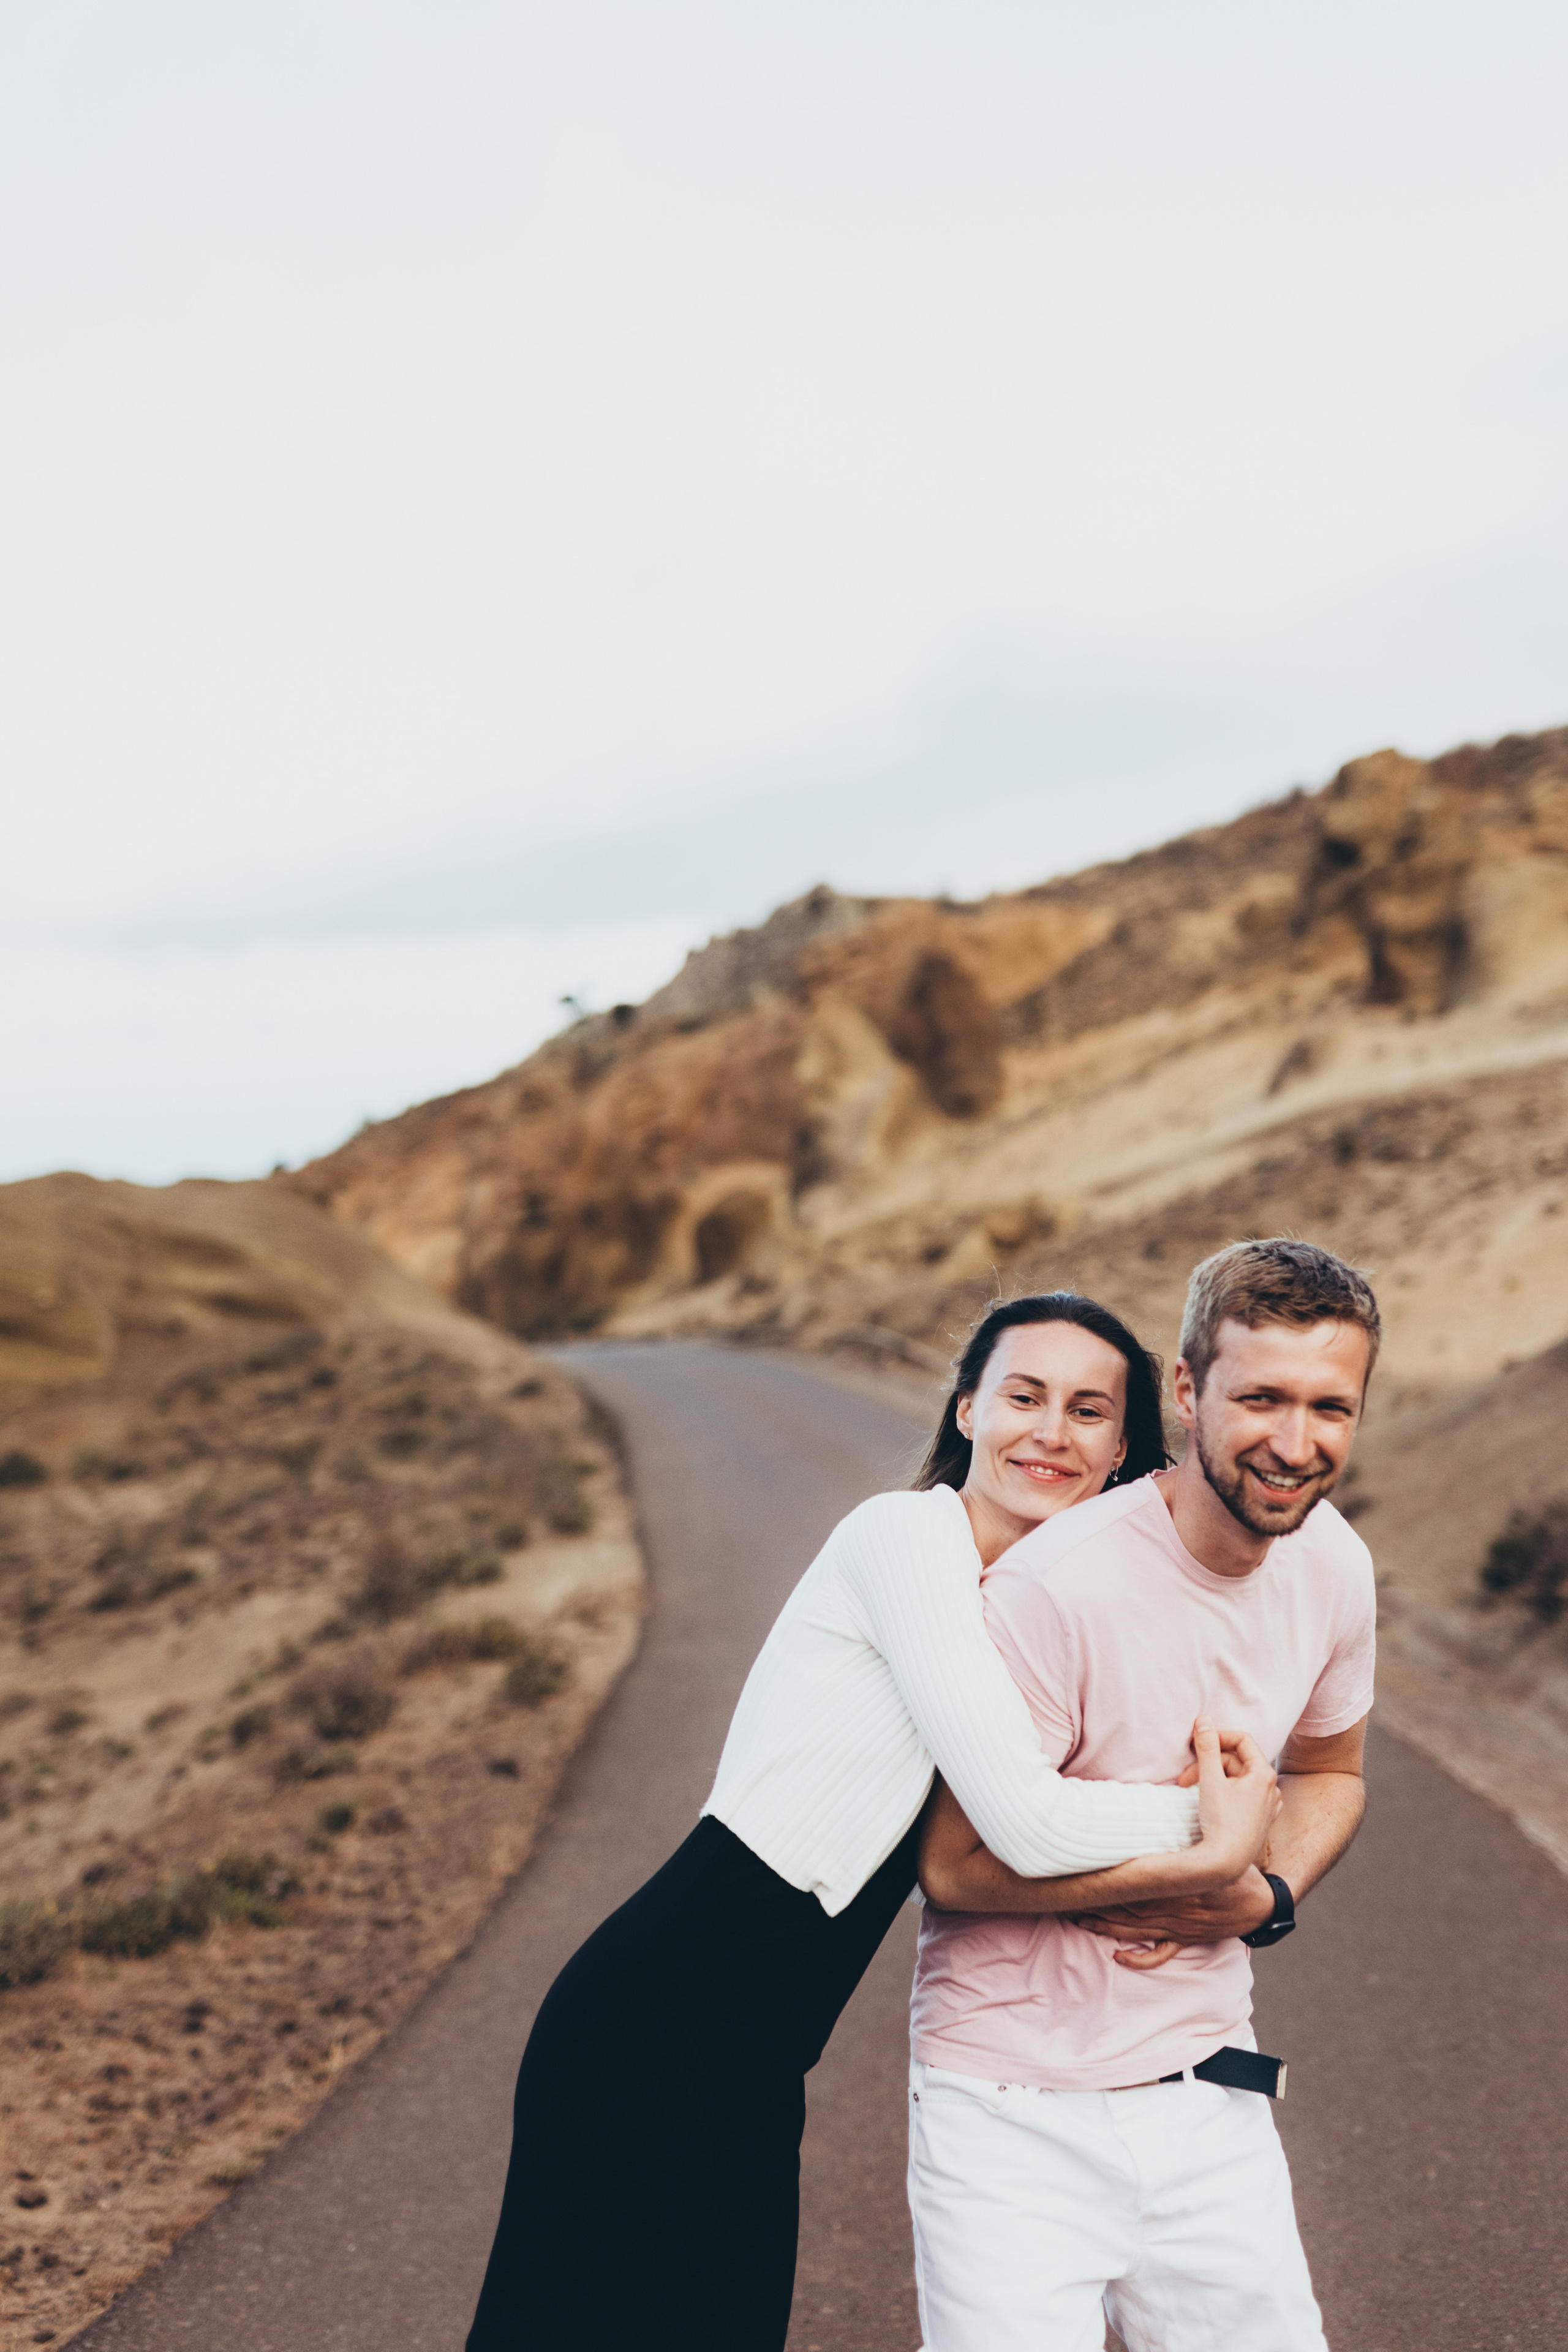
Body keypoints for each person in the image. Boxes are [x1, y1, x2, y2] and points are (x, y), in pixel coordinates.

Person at [464, 1291, 1279, 2352]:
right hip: (649, 2023)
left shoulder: (1022, 1614)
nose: (1049, 1431)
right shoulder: (905, 1539)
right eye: (1022, 1396)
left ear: (1122, 1447)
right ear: (968, 1411)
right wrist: (1211, 1826)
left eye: (1087, 1412)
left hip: (757, 2063)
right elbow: (1026, 1827)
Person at [909, 1238, 1381, 2352]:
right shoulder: (1052, 1586)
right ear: (1185, 1390)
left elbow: (1330, 1770)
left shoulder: (1336, 1566)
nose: (1295, 1443)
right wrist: (1197, 1858)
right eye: (1261, 1397)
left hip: (1209, 2085)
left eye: (1331, 1407)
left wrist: (1262, 1896)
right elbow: (953, 1865)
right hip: (1009, 2102)